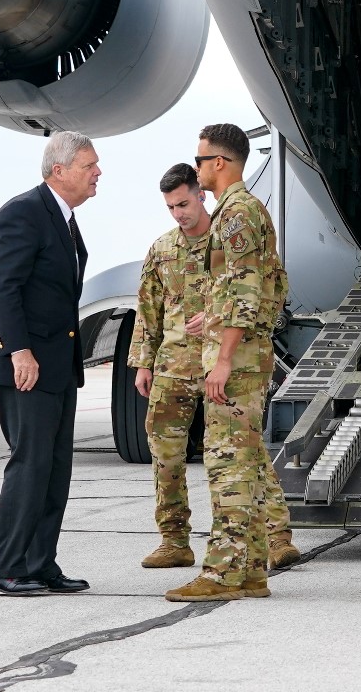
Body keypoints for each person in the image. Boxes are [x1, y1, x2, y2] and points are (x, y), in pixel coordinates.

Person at [166, 124, 294, 601]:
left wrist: (222, 357)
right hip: (241, 350)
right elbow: (268, 286)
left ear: (219, 163)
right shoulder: (243, 212)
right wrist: (214, 317)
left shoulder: (236, 214)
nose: (196, 168)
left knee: (230, 468)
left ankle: (223, 574)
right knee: (244, 465)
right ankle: (252, 573)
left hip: (235, 362)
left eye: (199, 160)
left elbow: (245, 290)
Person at [0, 131, 100, 595]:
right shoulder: (24, 212)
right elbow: (0, 286)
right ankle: (2, 566)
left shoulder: (63, 220)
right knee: (30, 463)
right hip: (26, 365)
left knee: (54, 466)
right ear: (59, 170)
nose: (97, 174)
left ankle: (37, 562)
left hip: (55, 365)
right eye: (89, 166)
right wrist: (18, 350)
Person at [129, 164, 214, 570]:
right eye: (170, 207)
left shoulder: (230, 243)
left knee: (236, 454)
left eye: (183, 202)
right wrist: (143, 364)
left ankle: (272, 536)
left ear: (202, 194)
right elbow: (148, 311)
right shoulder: (162, 249)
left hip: (223, 364)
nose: (178, 213)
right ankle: (174, 540)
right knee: (165, 455)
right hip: (173, 365)